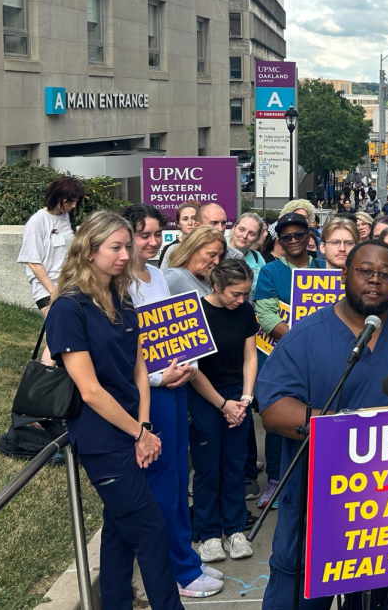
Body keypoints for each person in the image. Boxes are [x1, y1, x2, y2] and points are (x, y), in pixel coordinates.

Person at [256, 241, 388, 610]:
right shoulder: (307, 334)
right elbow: (273, 409)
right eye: (365, 271)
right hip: (315, 498)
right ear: (344, 273)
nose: (375, 281)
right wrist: (342, 427)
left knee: (371, 597)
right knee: (299, 591)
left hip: (386, 505)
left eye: (385, 274)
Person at [44, 211, 182, 610]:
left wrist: (142, 425)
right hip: (101, 438)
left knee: (120, 531)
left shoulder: (121, 298)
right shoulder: (68, 308)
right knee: (151, 530)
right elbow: (89, 390)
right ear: (89, 251)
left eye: (127, 246)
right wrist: (139, 434)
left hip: (131, 427)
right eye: (116, 247)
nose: (126, 254)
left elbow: (139, 367)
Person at [123, 205, 222, 599]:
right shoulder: (120, 284)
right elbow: (126, 354)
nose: (151, 242)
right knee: (163, 482)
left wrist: (187, 369)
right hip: (151, 394)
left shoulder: (159, 276)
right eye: (143, 234)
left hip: (177, 385)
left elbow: (176, 334)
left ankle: (186, 560)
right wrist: (156, 377)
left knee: (181, 477)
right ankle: (174, 571)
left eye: (156, 234)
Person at [186, 259, 258, 564]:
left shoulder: (245, 311)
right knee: (206, 466)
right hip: (205, 395)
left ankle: (235, 528)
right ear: (217, 286)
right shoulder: (196, 312)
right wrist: (222, 404)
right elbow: (193, 367)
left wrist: (245, 397)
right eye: (235, 294)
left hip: (236, 394)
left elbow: (250, 355)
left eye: (245, 294)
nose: (240, 300)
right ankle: (209, 532)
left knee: (234, 463)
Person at [252, 214, 323, 509]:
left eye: (299, 235)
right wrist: (300, 341)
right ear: (279, 241)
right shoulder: (270, 272)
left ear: (309, 237)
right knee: (280, 416)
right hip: (284, 356)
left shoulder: (324, 267)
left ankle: (316, 477)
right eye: (287, 237)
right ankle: (275, 480)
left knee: (317, 414)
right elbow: (266, 315)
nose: (293, 240)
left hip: (321, 358)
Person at [18, 176, 86, 311]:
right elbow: (33, 261)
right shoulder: (37, 222)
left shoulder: (67, 218)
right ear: (58, 196)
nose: (73, 206)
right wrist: (52, 291)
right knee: (59, 328)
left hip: (71, 284)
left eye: (76, 202)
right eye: (70, 201)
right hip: (47, 289)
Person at [163, 226, 227, 299]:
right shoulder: (175, 277)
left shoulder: (211, 279)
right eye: (212, 255)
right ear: (193, 250)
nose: (217, 261)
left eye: (220, 256)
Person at [157, 201, 201, 267]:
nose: (190, 223)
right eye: (185, 219)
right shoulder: (170, 249)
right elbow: (163, 275)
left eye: (194, 218)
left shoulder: (206, 245)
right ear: (178, 224)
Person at [229, 212, 267, 281]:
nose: (244, 236)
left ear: (257, 238)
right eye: (241, 229)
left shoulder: (257, 258)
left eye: (251, 233)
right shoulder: (219, 251)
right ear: (233, 228)